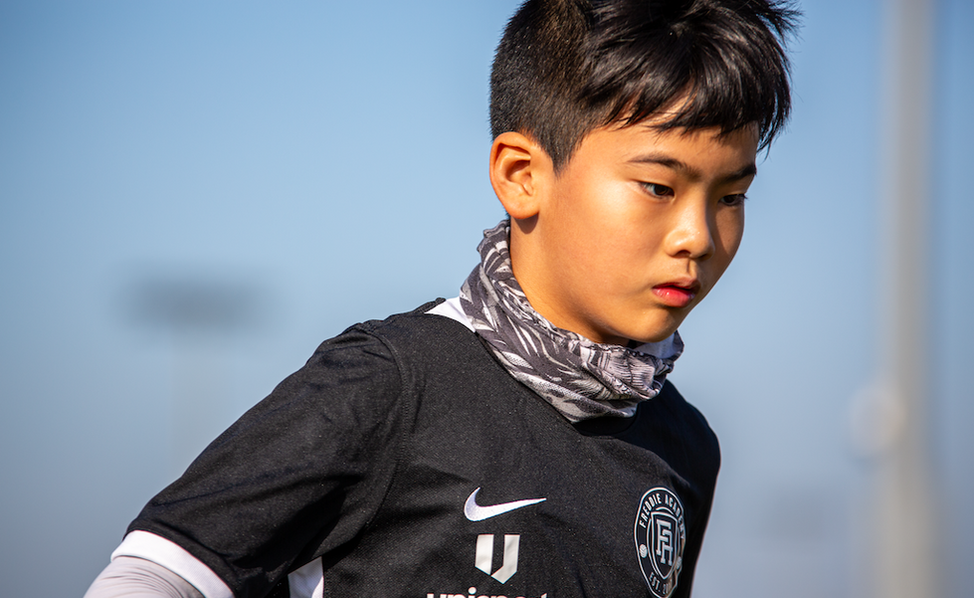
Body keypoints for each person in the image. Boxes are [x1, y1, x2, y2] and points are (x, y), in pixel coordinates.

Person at [85, 1, 798, 597]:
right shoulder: (395, 380)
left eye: (730, 196)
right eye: (658, 187)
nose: (698, 236)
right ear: (522, 175)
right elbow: (160, 573)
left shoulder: (686, 446)